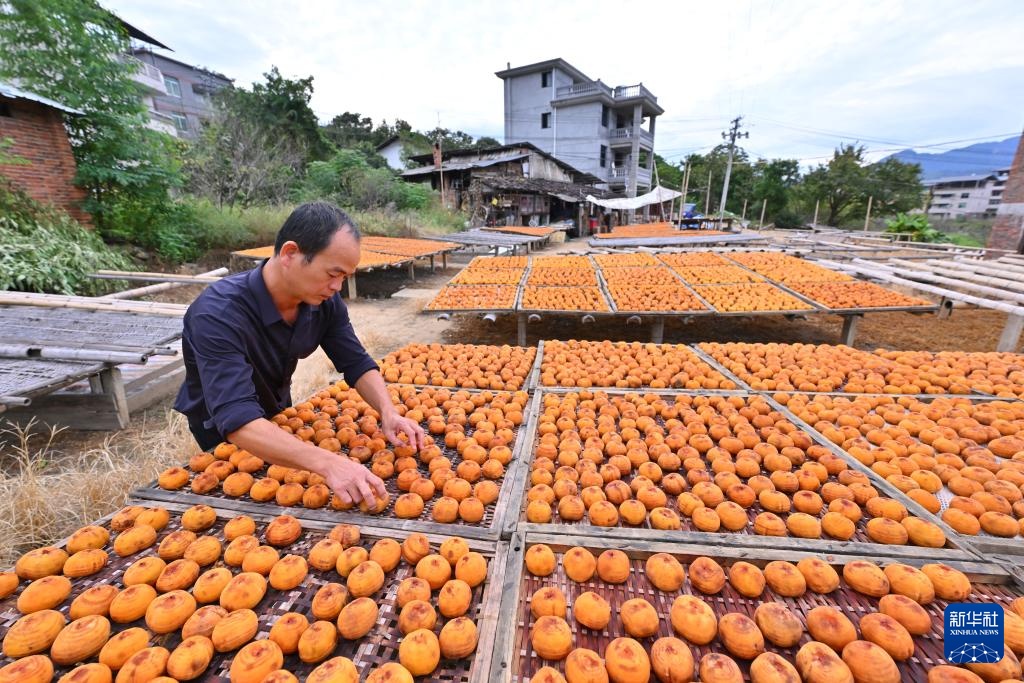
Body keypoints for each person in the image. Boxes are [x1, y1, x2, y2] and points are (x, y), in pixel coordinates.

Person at [174, 201, 426, 506]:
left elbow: (355, 361)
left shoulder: (322, 302)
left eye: (345, 277)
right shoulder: (217, 313)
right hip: (223, 426)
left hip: (276, 411)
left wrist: (388, 411)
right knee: (246, 500)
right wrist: (329, 463)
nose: (337, 287)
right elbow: (236, 417)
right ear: (290, 254)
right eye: (333, 273)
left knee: (288, 493)